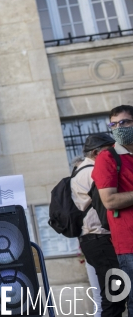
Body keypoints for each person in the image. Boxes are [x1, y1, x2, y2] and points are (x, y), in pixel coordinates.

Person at [72, 133, 125, 317]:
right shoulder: (93, 171)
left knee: (112, 293)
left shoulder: (80, 170)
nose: (113, 154)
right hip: (99, 237)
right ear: (96, 152)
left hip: (93, 239)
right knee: (114, 295)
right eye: (109, 150)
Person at [94, 105, 133, 317]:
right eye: (114, 124)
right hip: (129, 244)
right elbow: (109, 200)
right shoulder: (108, 158)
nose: (119, 127)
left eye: (125, 122)